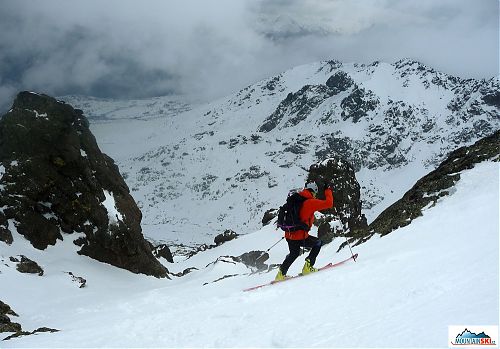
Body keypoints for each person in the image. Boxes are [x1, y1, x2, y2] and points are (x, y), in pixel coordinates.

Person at [275, 181, 334, 281]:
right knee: (317, 243)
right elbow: (329, 203)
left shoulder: (297, 199)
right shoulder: (310, 202)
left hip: (289, 234)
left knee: (294, 253)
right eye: (315, 193)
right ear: (313, 191)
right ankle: (308, 267)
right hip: (300, 235)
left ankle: (280, 274)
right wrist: (327, 190)